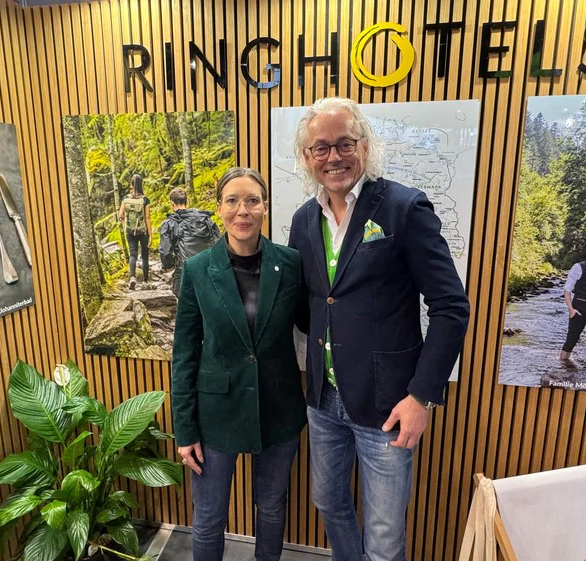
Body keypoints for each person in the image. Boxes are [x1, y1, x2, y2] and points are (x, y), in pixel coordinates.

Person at [287, 98, 470, 561]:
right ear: (307, 157)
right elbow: (311, 303)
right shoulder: (304, 220)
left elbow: (450, 307)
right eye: (321, 147)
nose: (333, 157)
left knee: (386, 537)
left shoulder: (405, 208)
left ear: (364, 147)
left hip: (389, 404)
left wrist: (421, 396)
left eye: (344, 144)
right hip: (324, 399)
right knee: (328, 501)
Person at [171, 167, 308, 561]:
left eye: (252, 200)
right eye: (232, 200)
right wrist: (185, 429)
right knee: (209, 515)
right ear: (219, 208)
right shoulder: (198, 270)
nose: (242, 210)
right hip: (215, 414)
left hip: (278, 408)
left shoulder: (291, 263)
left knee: (272, 506)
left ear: (265, 207)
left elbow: (311, 321)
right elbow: (185, 353)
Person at [159, 187, 220, 296]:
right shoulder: (205, 219)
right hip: (207, 269)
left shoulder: (169, 223)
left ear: (172, 203)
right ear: (187, 202)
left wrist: (168, 265)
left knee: (184, 300)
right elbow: (217, 242)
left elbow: (165, 250)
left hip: (184, 271)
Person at [118, 174, 151, 289]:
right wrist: (150, 235)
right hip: (143, 231)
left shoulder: (126, 199)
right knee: (145, 256)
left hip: (130, 231)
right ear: (141, 184)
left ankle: (132, 277)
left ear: (131, 185)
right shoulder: (145, 199)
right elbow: (147, 218)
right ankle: (145, 282)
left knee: (133, 254)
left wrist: (126, 222)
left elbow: (120, 215)